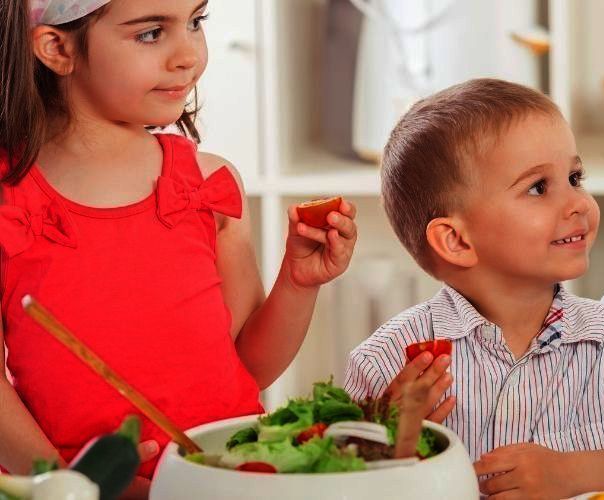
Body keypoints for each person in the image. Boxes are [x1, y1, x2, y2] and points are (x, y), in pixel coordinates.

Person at [0, 0, 358, 494]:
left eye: (196, 21)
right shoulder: (9, 203)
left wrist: (298, 283)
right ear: (58, 48)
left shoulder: (207, 185)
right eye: (151, 33)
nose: (188, 54)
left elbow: (249, 366)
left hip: (222, 479)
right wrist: (69, 484)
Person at [343, 78, 604, 498]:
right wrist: (396, 435)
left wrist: (571, 474)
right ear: (457, 241)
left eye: (575, 177)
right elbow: (344, 481)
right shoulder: (389, 362)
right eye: (538, 187)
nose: (578, 203)